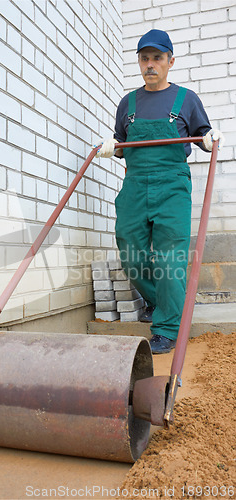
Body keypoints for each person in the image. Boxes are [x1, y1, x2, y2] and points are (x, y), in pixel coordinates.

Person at [95, 29, 224, 354]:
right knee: (131, 252)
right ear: (139, 61)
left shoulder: (186, 99)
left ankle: (166, 328)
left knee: (170, 259)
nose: (151, 64)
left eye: (157, 58)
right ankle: (161, 299)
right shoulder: (129, 103)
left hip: (171, 186)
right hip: (135, 185)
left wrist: (209, 139)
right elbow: (123, 142)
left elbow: (203, 135)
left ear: (170, 61)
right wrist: (114, 147)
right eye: (145, 58)